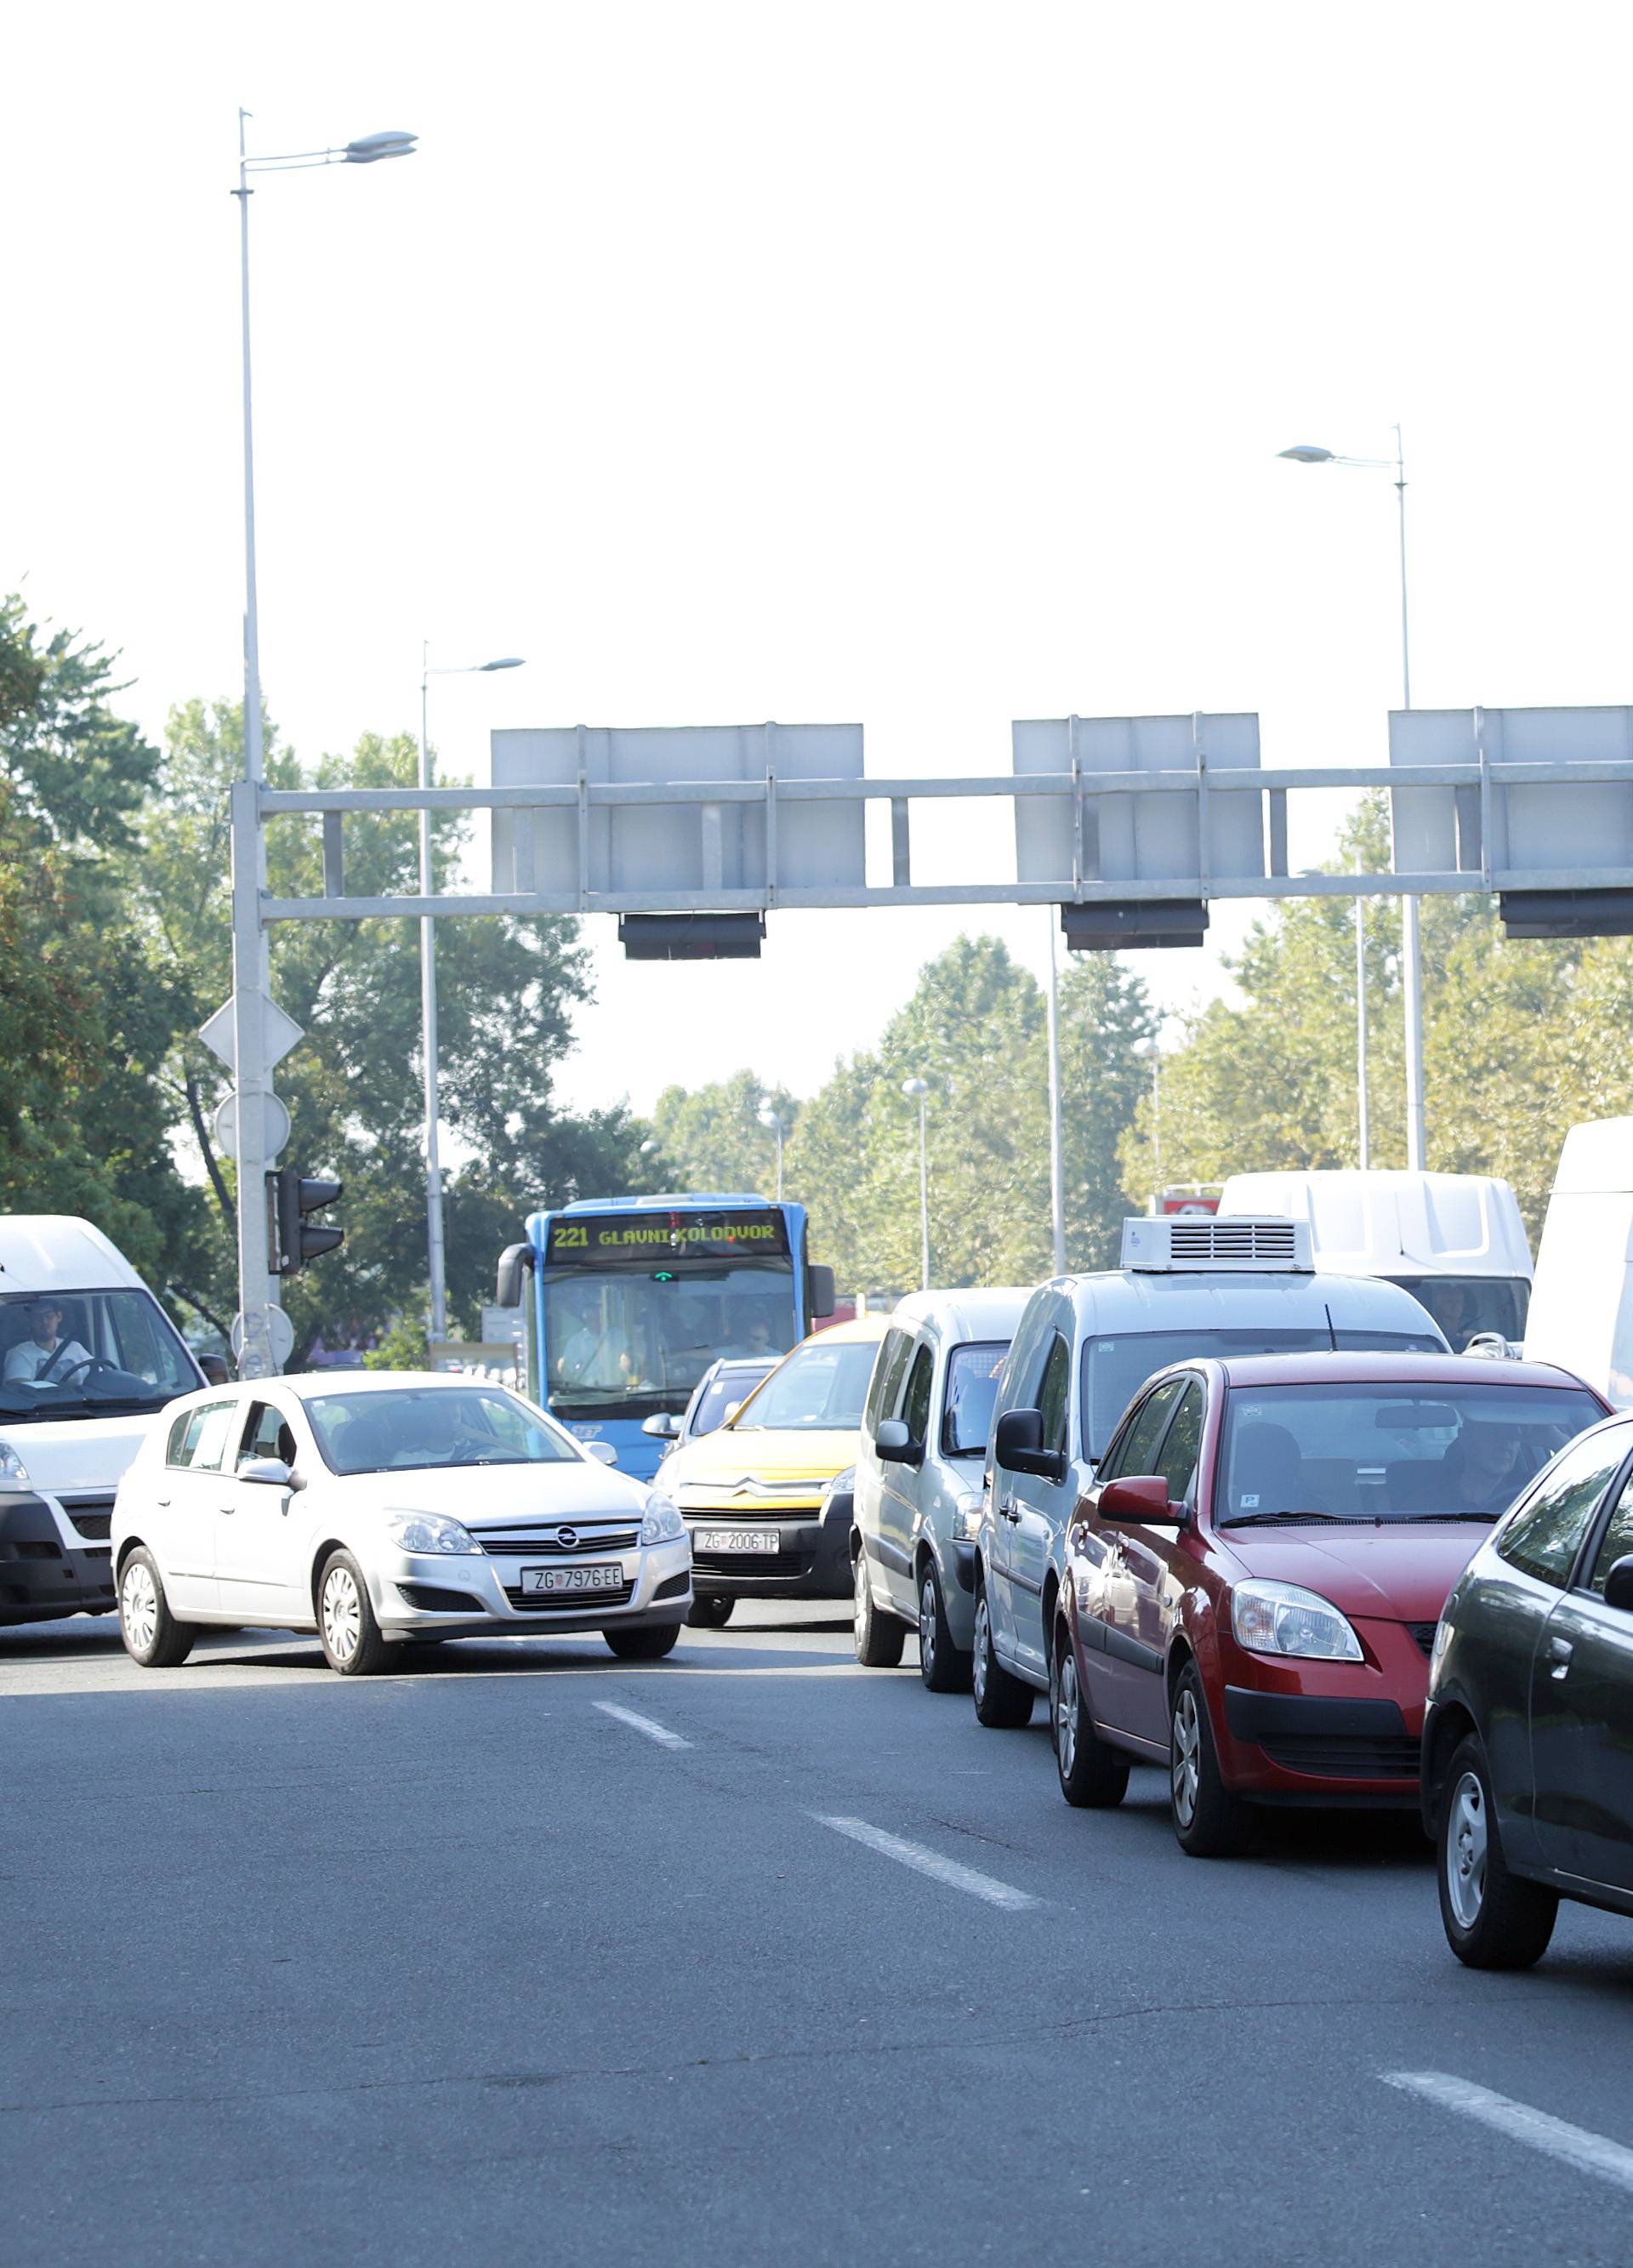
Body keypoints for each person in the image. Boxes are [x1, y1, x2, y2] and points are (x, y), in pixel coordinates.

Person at [4, 1300, 93, 1387]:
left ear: (59, 1317)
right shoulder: (19, 1353)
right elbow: (19, 1391)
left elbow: (98, 1375)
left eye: (49, 1316)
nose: (44, 1321)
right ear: (31, 1321)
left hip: (79, 1401)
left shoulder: (75, 1348)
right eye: (37, 1317)